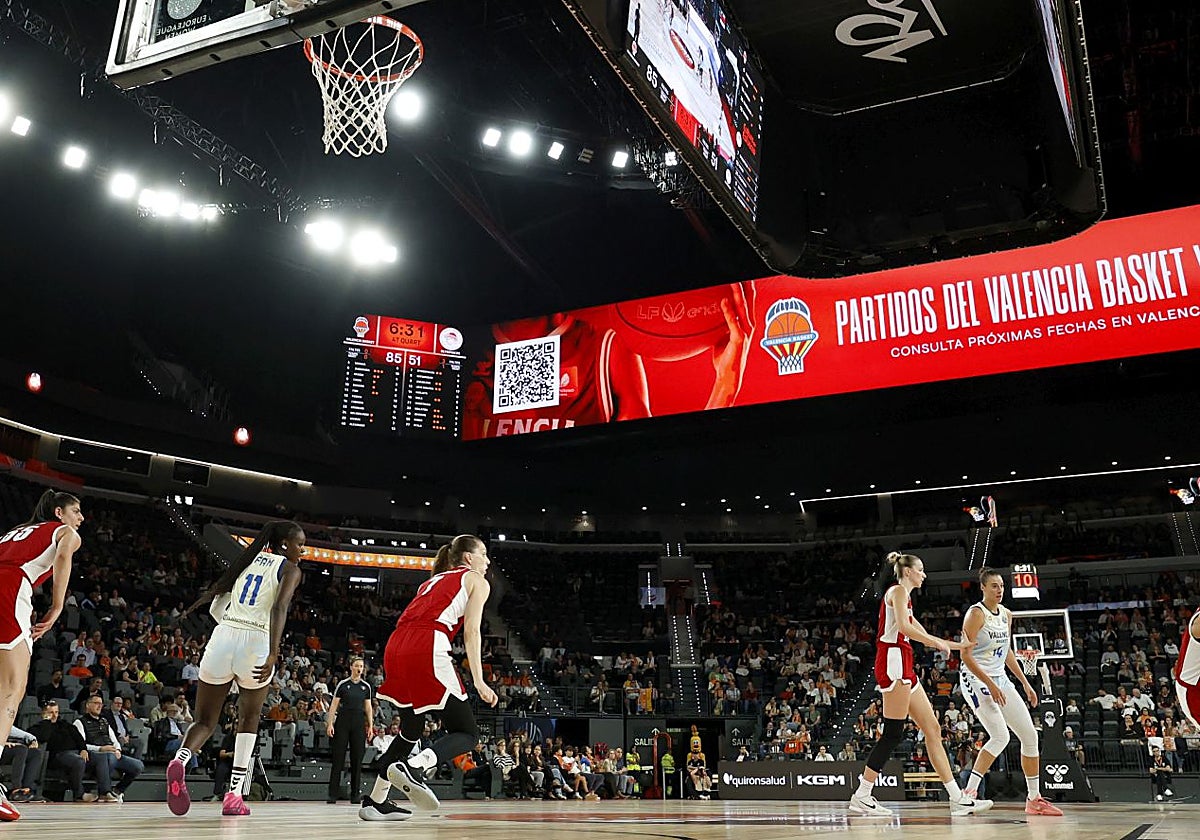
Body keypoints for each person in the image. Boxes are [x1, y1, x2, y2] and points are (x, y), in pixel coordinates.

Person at [164, 520, 304, 817]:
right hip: (255, 640)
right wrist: (274, 652)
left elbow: (217, 601)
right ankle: (234, 795)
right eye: (299, 544)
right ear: (284, 545)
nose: (302, 550)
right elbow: (279, 609)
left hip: (223, 635)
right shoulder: (290, 569)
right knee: (249, 719)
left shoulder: (247, 560)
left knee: (204, 720)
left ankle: (180, 759)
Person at [357, 535, 499, 821]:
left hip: (396, 645)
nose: (487, 561)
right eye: (483, 554)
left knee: (411, 729)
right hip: (427, 642)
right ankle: (417, 767)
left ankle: (375, 801)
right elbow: (472, 632)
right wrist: (480, 680)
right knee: (468, 733)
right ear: (468, 558)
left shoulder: (431, 581)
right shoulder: (475, 580)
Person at [848, 552, 990, 818]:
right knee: (893, 733)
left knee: (933, 728)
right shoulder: (898, 591)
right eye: (921, 570)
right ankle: (862, 795)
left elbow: (920, 633)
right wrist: (938, 643)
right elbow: (904, 627)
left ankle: (957, 798)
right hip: (892, 660)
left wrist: (955, 645)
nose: (924, 574)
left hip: (903, 661)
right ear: (908, 572)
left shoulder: (905, 597)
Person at [0, 489, 84, 821]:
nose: (81, 518)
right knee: (11, 688)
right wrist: (57, 604)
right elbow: (64, 556)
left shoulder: (16, 530)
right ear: (59, 513)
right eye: (76, 511)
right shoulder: (65, 532)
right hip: (9, 587)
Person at [958, 568, 1063, 816]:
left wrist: (1025, 683)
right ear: (982, 588)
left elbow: (1006, 651)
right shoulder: (975, 614)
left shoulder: (1006, 614)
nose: (999, 590)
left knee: (1030, 736)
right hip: (974, 677)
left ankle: (1034, 798)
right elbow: (965, 654)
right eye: (994, 586)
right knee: (1000, 736)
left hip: (999, 677)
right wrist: (990, 685)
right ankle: (968, 794)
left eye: (1001, 586)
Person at [74, 693, 144, 801]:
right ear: (88, 705)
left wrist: (118, 750)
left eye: (101, 704)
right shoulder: (79, 722)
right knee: (106, 757)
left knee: (138, 765)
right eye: (96, 703)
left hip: (112, 753)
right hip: (95, 755)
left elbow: (114, 740)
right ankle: (105, 792)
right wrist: (100, 749)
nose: (99, 706)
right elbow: (81, 745)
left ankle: (118, 790)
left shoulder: (104, 721)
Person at [326, 656, 374, 803]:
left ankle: (355, 795)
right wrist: (330, 724)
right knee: (338, 758)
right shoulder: (343, 684)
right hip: (343, 721)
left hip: (359, 722)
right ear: (351, 667)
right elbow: (333, 706)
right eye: (357, 666)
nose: (359, 669)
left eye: (361, 666)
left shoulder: (366, 687)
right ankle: (332, 794)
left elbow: (368, 707)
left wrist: (371, 726)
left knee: (357, 759)